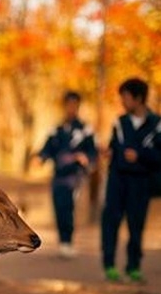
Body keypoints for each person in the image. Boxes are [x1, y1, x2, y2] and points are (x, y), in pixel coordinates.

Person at [101, 78, 161, 283]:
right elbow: (113, 146)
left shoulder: (156, 125)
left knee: (136, 224)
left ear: (138, 98)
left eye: (125, 97)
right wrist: (109, 152)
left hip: (140, 182)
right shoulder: (120, 122)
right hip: (117, 180)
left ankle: (133, 266)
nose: (123, 102)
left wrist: (140, 156)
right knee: (111, 222)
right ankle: (109, 265)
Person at [36, 91, 98, 258]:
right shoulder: (56, 130)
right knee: (59, 207)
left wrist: (86, 158)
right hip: (58, 176)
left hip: (76, 177)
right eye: (68, 104)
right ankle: (63, 243)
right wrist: (40, 158)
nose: (71, 108)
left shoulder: (86, 130)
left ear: (78, 106)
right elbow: (46, 150)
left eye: (74, 105)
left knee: (70, 208)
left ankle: (68, 242)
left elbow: (93, 152)